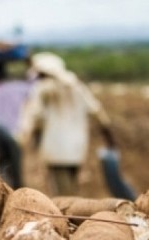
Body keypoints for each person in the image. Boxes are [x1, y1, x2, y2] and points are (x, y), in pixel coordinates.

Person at [19, 51, 116, 196]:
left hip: (55, 149)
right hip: (77, 147)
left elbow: (35, 117)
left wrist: (26, 139)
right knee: (72, 188)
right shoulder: (77, 86)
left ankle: (67, 218)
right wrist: (109, 138)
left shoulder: (44, 89)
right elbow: (97, 112)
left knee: (62, 195)